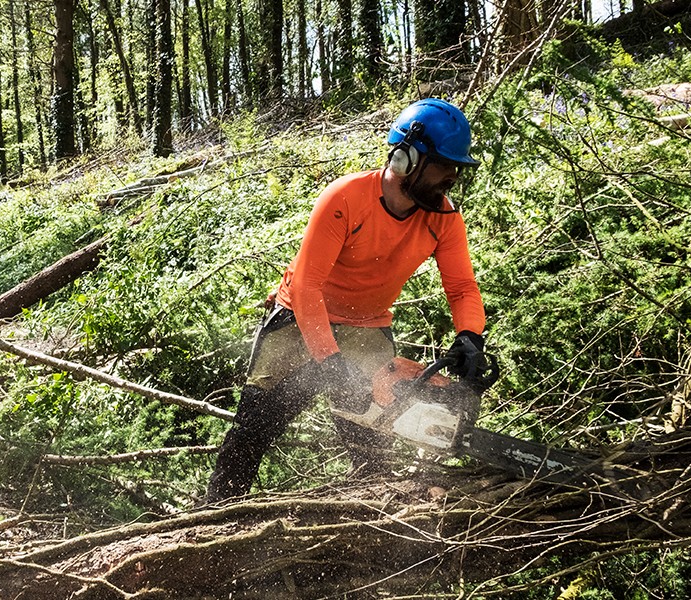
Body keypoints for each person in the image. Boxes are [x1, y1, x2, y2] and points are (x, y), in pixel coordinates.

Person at [204, 98, 489, 503]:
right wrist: (332, 363)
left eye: (456, 168)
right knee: (254, 431)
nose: (452, 178)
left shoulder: (443, 217)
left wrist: (469, 337)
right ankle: (213, 518)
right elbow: (307, 288)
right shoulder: (345, 199)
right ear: (409, 158)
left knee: (373, 440)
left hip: (367, 326)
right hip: (301, 318)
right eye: (444, 166)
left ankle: (370, 527)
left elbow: (461, 288)